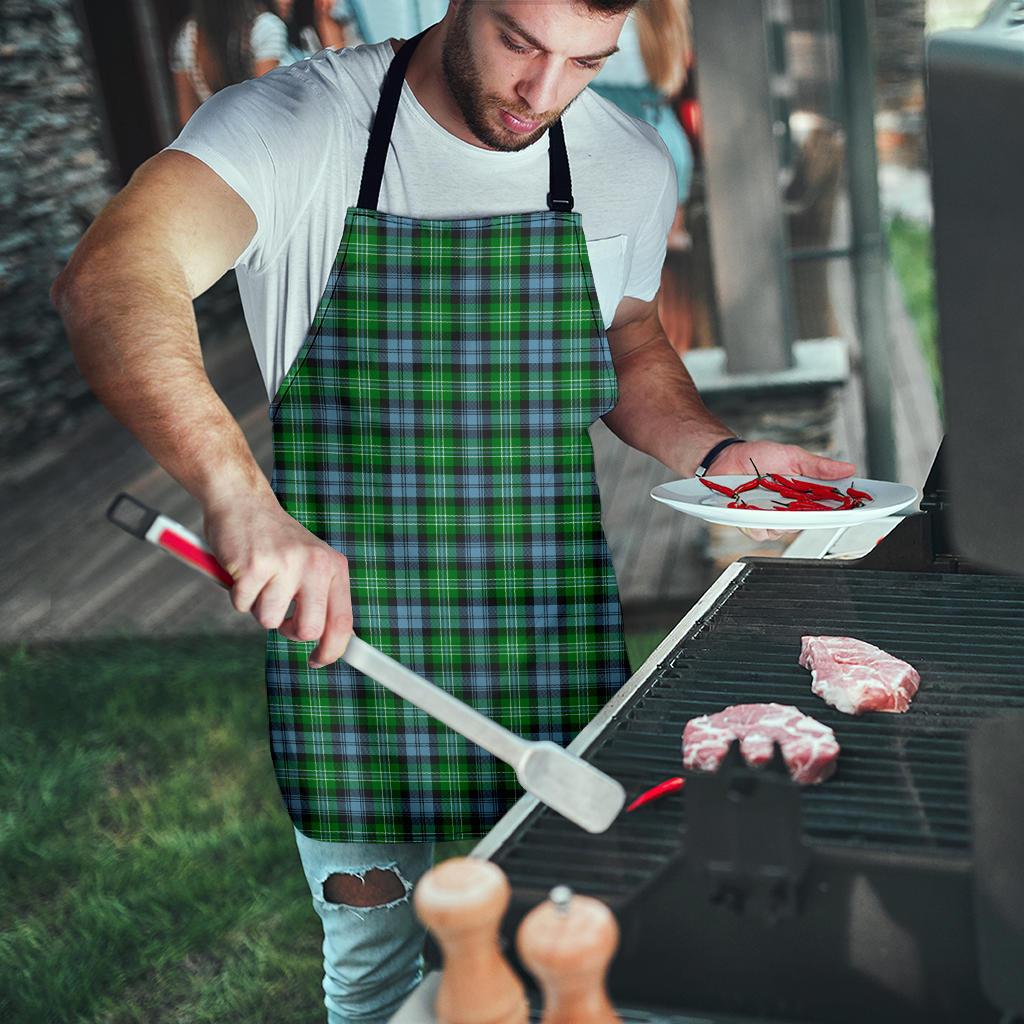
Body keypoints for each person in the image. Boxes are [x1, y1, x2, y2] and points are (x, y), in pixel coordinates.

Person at [53, 2, 856, 1020]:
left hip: (545, 640)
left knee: (565, 956)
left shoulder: (624, 161)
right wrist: (239, 497)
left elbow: (629, 335)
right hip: (347, 656)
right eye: (521, 43)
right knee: (377, 976)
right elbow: (113, 275)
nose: (543, 93)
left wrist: (718, 450)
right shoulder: (299, 125)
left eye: (585, 62)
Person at [170, 0, 289, 128]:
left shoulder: (187, 36)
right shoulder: (265, 27)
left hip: (217, 141)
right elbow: (268, 107)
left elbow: (187, 119)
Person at [275, 0, 351, 63]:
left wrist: (323, 16)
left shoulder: (306, 28)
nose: (288, 2)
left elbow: (339, 61)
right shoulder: (271, 26)